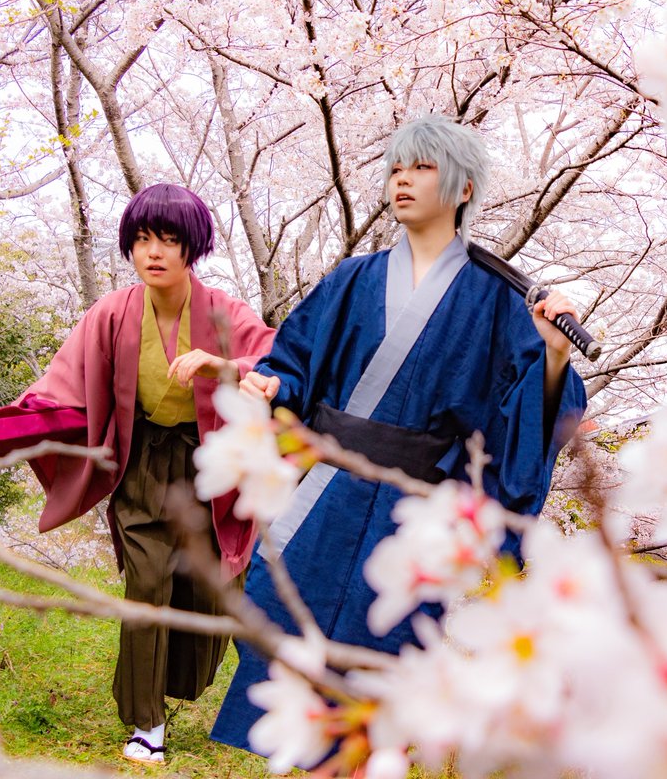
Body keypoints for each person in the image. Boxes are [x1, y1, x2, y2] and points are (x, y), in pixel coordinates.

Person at [210, 116, 587, 758]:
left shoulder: (501, 299)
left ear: (464, 189)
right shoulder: (352, 279)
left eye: (422, 167)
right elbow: (295, 359)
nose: (402, 180)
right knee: (287, 644)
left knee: (381, 665)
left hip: (413, 512)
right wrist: (274, 384)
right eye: (395, 168)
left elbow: (534, 413)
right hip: (325, 493)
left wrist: (553, 356)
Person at [0, 184, 277, 765]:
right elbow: (62, 384)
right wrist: (3, 431)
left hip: (211, 466)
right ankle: (147, 721)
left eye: (168, 239)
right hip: (140, 462)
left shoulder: (226, 312)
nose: (154, 251)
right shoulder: (112, 313)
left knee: (207, 590)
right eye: (142, 239)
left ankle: (175, 684)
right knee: (147, 583)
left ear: (193, 246)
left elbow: (275, 363)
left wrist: (225, 364)